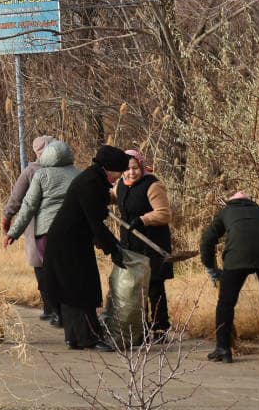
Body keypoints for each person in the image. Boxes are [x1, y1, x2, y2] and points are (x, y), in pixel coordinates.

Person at [42, 144, 130, 350]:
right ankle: (88, 337)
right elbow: (95, 222)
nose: (119, 178)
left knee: (73, 288)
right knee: (80, 289)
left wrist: (111, 245)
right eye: (119, 173)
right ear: (109, 168)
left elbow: (95, 221)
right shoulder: (90, 183)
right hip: (69, 244)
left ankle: (75, 337)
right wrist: (113, 249)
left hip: (71, 241)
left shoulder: (93, 180)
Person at [200, 192, 259, 362]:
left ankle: (223, 348)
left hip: (237, 256)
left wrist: (211, 267)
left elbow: (207, 240)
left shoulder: (226, 212)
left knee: (226, 302)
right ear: (249, 202)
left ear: (230, 202)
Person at [6, 138, 79, 327]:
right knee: (68, 272)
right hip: (72, 228)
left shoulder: (34, 172)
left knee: (45, 270)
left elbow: (22, 201)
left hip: (40, 228)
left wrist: (11, 225)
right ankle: (67, 311)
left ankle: (53, 309)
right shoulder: (76, 173)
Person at [116, 149, 174, 335]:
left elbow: (164, 214)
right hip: (131, 244)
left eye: (135, 168)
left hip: (152, 243)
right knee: (135, 288)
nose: (131, 172)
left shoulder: (153, 185)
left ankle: (159, 328)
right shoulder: (121, 184)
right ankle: (140, 326)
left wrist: (143, 220)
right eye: (127, 168)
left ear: (141, 166)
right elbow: (114, 196)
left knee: (154, 287)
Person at [3, 135, 56, 318]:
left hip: (35, 225)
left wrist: (8, 215)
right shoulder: (67, 169)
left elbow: (17, 197)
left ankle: (49, 308)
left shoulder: (31, 171)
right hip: (63, 223)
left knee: (40, 266)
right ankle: (61, 309)